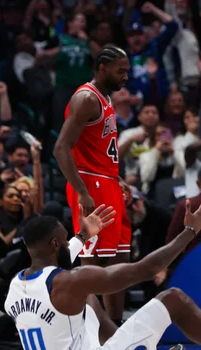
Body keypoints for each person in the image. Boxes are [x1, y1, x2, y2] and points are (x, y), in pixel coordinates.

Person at [6, 201, 201, 350]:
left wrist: (82, 237)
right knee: (173, 298)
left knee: (88, 303)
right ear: (55, 244)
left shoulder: (15, 288)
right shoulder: (71, 281)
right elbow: (147, 269)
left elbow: (56, 261)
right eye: (66, 239)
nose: (70, 243)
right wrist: (189, 232)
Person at [52, 46, 131, 325]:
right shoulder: (86, 98)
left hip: (106, 181)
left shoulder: (106, 97)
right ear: (102, 67)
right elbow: (61, 148)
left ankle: (115, 329)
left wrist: (117, 178)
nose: (125, 76)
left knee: (120, 259)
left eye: (127, 71)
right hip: (90, 184)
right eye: (120, 70)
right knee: (94, 265)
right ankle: (94, 332)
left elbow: (97, 147)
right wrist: (83, 192)